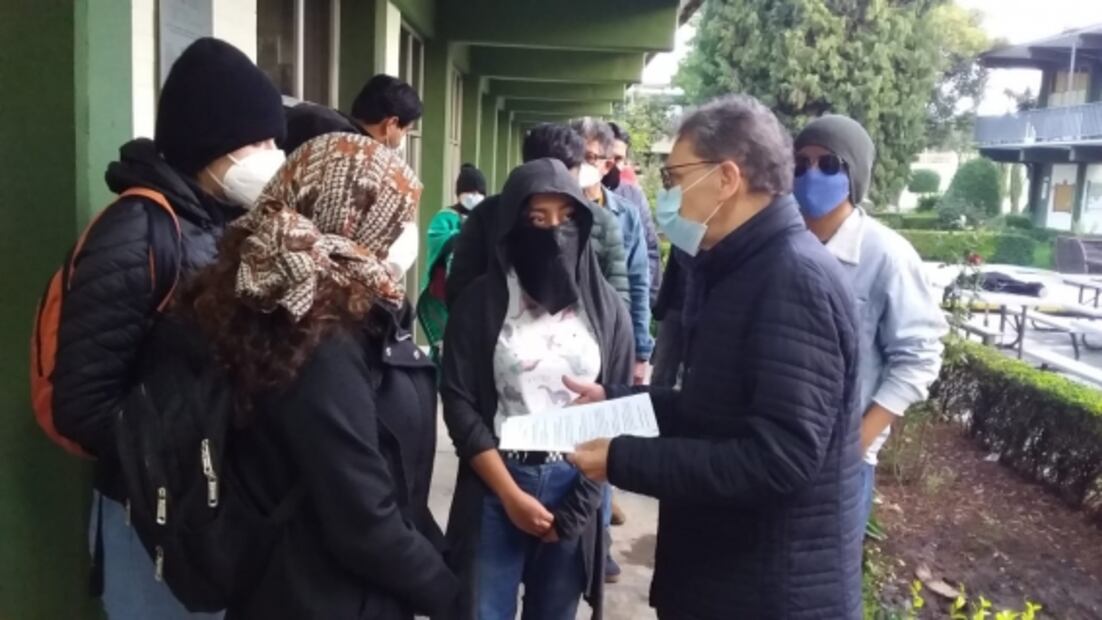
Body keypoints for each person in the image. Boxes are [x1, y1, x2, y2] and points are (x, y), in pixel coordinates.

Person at [568, 95, 864, 619]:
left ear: (726, 179)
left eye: (676, 176)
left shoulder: (791, 279)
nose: (668, 195)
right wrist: (613, 402)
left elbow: (778, 459)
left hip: (766, 594)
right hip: (725, 579)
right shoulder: (741, 267)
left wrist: (620, 459)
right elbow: (712, 410)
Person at [48, 38, 286, 620]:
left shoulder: (220, 223)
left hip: (206, 508)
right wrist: (176, 457)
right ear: (210, 142)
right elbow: (80, 403)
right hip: (150, 518)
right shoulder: (137, 233)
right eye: (258, 142)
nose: (272, 155)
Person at [173, 133, 456, 619]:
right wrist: (455, 598)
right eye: (393, 218)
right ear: (352, 217)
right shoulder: (318, 335)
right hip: (322, 596)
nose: (401, 231)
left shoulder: (294, 298)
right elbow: (362, 520)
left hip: (300, 587)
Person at [441, 158, 634, 620]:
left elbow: (619, 413)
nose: (554, 231)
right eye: (537, 218)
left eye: (567, 218)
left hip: (576, 484)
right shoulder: (480, 304)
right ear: (511, 225)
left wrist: (579, 506)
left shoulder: (608, 312)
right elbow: (459, 403)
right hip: (497, 482)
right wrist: (509, 493)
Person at [793, 114, 947, 527]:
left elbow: (918, 359)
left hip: (842, 465)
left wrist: (855, 444)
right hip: (776, 451)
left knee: (825, 585)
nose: (811, 175)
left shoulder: (887, 257)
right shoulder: (783, 246)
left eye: (828, 165)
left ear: (855, 174)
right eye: (800, 164)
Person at [446, 123, 630, 308]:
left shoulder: (601, 222)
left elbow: (619, 303)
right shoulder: (487, 217)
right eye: (538, 218)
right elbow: (460, 294)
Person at [572, 118, 653, 385]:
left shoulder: (626, 215)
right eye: (573, 155)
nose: (579, 163)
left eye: (589, 157)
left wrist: (640, 353)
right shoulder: (554, 210)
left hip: (610, 339)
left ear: (607, 165)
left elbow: (638, 281)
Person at [419, 163, 488, 365]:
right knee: (445, 344)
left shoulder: (486, 218)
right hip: (443, 290)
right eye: (469, 192)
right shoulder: (444, 217)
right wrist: (464, 236)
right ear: (459, 193)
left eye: (478, 192)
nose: (474, 196)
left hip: (475, 292)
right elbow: (436, 239)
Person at [282, 74, 423, 153]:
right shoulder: (354, 151)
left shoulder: (322, 118)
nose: (402, 138)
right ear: (391, 124)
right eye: (406, 130)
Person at [607, 121, 662, 307]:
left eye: (619, 159)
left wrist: (646, 301)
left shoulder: (633, 197)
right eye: (608, 157)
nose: (612, 165)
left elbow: (650, 249)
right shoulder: (574, 193)